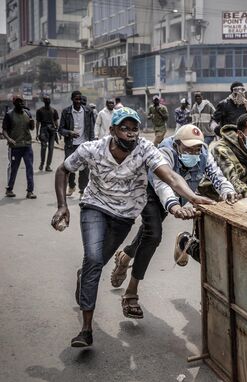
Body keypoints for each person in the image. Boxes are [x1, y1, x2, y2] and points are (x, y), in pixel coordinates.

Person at [50, 108, 217, 348]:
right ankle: (86, 330)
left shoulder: (145, 149)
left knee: (96, 263)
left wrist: (192, 197)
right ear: (112, 130)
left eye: (134, 128)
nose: (130, 133)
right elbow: (63, 170)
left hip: (124, 216)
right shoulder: (92, 149)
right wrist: (61, 206)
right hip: (95, 207)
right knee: (94, 259)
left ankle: (83, 275)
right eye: (124, 128)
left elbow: (169, 177)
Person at [111, 124, 237, 318]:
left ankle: (125, 257)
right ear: (177, 144)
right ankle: (131, 293)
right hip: (150, 192)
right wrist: (173, 206)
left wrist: (228, 192)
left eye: (196, 149)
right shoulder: (165, 152)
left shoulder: (204, 153)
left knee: (148, 232)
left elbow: (217, 176)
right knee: (153, 235)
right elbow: (163, 183)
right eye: (188, 149)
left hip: (178, 195)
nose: (194, 153)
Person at [199, 113, 247, 200]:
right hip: (212, 196)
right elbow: (231, 177)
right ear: (240, 134)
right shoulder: (221, 149)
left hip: (241, 194)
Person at [58, 90, 95, 198]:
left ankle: (82, 190)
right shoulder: (66, 112)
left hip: (84, 144)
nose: (78, 101)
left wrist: (91, 143)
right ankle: (71, 186)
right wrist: (69, 133)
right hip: (70, 144)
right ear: (72, 99)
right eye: (76, 99)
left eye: (80, 99)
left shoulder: (88, 111)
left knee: (84, 169)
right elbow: (60, 129)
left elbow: (91, 128)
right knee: (69, 166)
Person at [3, 95, 36, 198]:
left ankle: (30, 191)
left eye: (22, 101)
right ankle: (9, 189)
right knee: (13, 168)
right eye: (18, 102)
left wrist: (32, 123)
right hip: (15, 146)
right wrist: (9, 139)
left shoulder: (27, 113)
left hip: (27, 145)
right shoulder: (9, 115)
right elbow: (4, 130)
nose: (21, 103)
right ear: (14, 103)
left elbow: (31, 128)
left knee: (29, 168)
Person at [35, 95, 60, 172]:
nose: (47, 101)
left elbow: (56, 122)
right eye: (46, 100)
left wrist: (58, 132)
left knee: (51, 148)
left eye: (48, 99)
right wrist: (37, 133)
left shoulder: (54, 111)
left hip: (52, 131)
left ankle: (48, 165)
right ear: (43, 101)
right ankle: (42, 163)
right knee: (43, 147)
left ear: (50, 101)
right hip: (43, 130)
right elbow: (38, 122)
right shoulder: (39, 111)